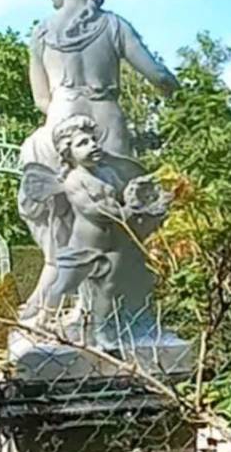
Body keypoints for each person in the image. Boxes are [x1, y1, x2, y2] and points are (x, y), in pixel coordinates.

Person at [18, 0, 179, 321]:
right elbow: (157, 76)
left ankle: (63, 294)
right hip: (108, 124)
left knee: (67, 219)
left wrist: (67, 109)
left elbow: (42, 99)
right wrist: (181, 91)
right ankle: (112, 313)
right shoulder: (114, 25)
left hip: (58, 129)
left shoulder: (41, 33)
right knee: (117, 223)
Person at [23, 113, 172, 340]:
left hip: (111, 247)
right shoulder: (74, 180)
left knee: (108, 290)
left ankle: (102, 331)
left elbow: (124, 197)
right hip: (81, 249)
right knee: (62, 286)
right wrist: (128, 211)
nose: (93, 145)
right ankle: (43, 321)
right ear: (68, 152)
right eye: (83, 143)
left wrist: (140, 201)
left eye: (94, 140)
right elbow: (94, 211)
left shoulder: (108, 173)